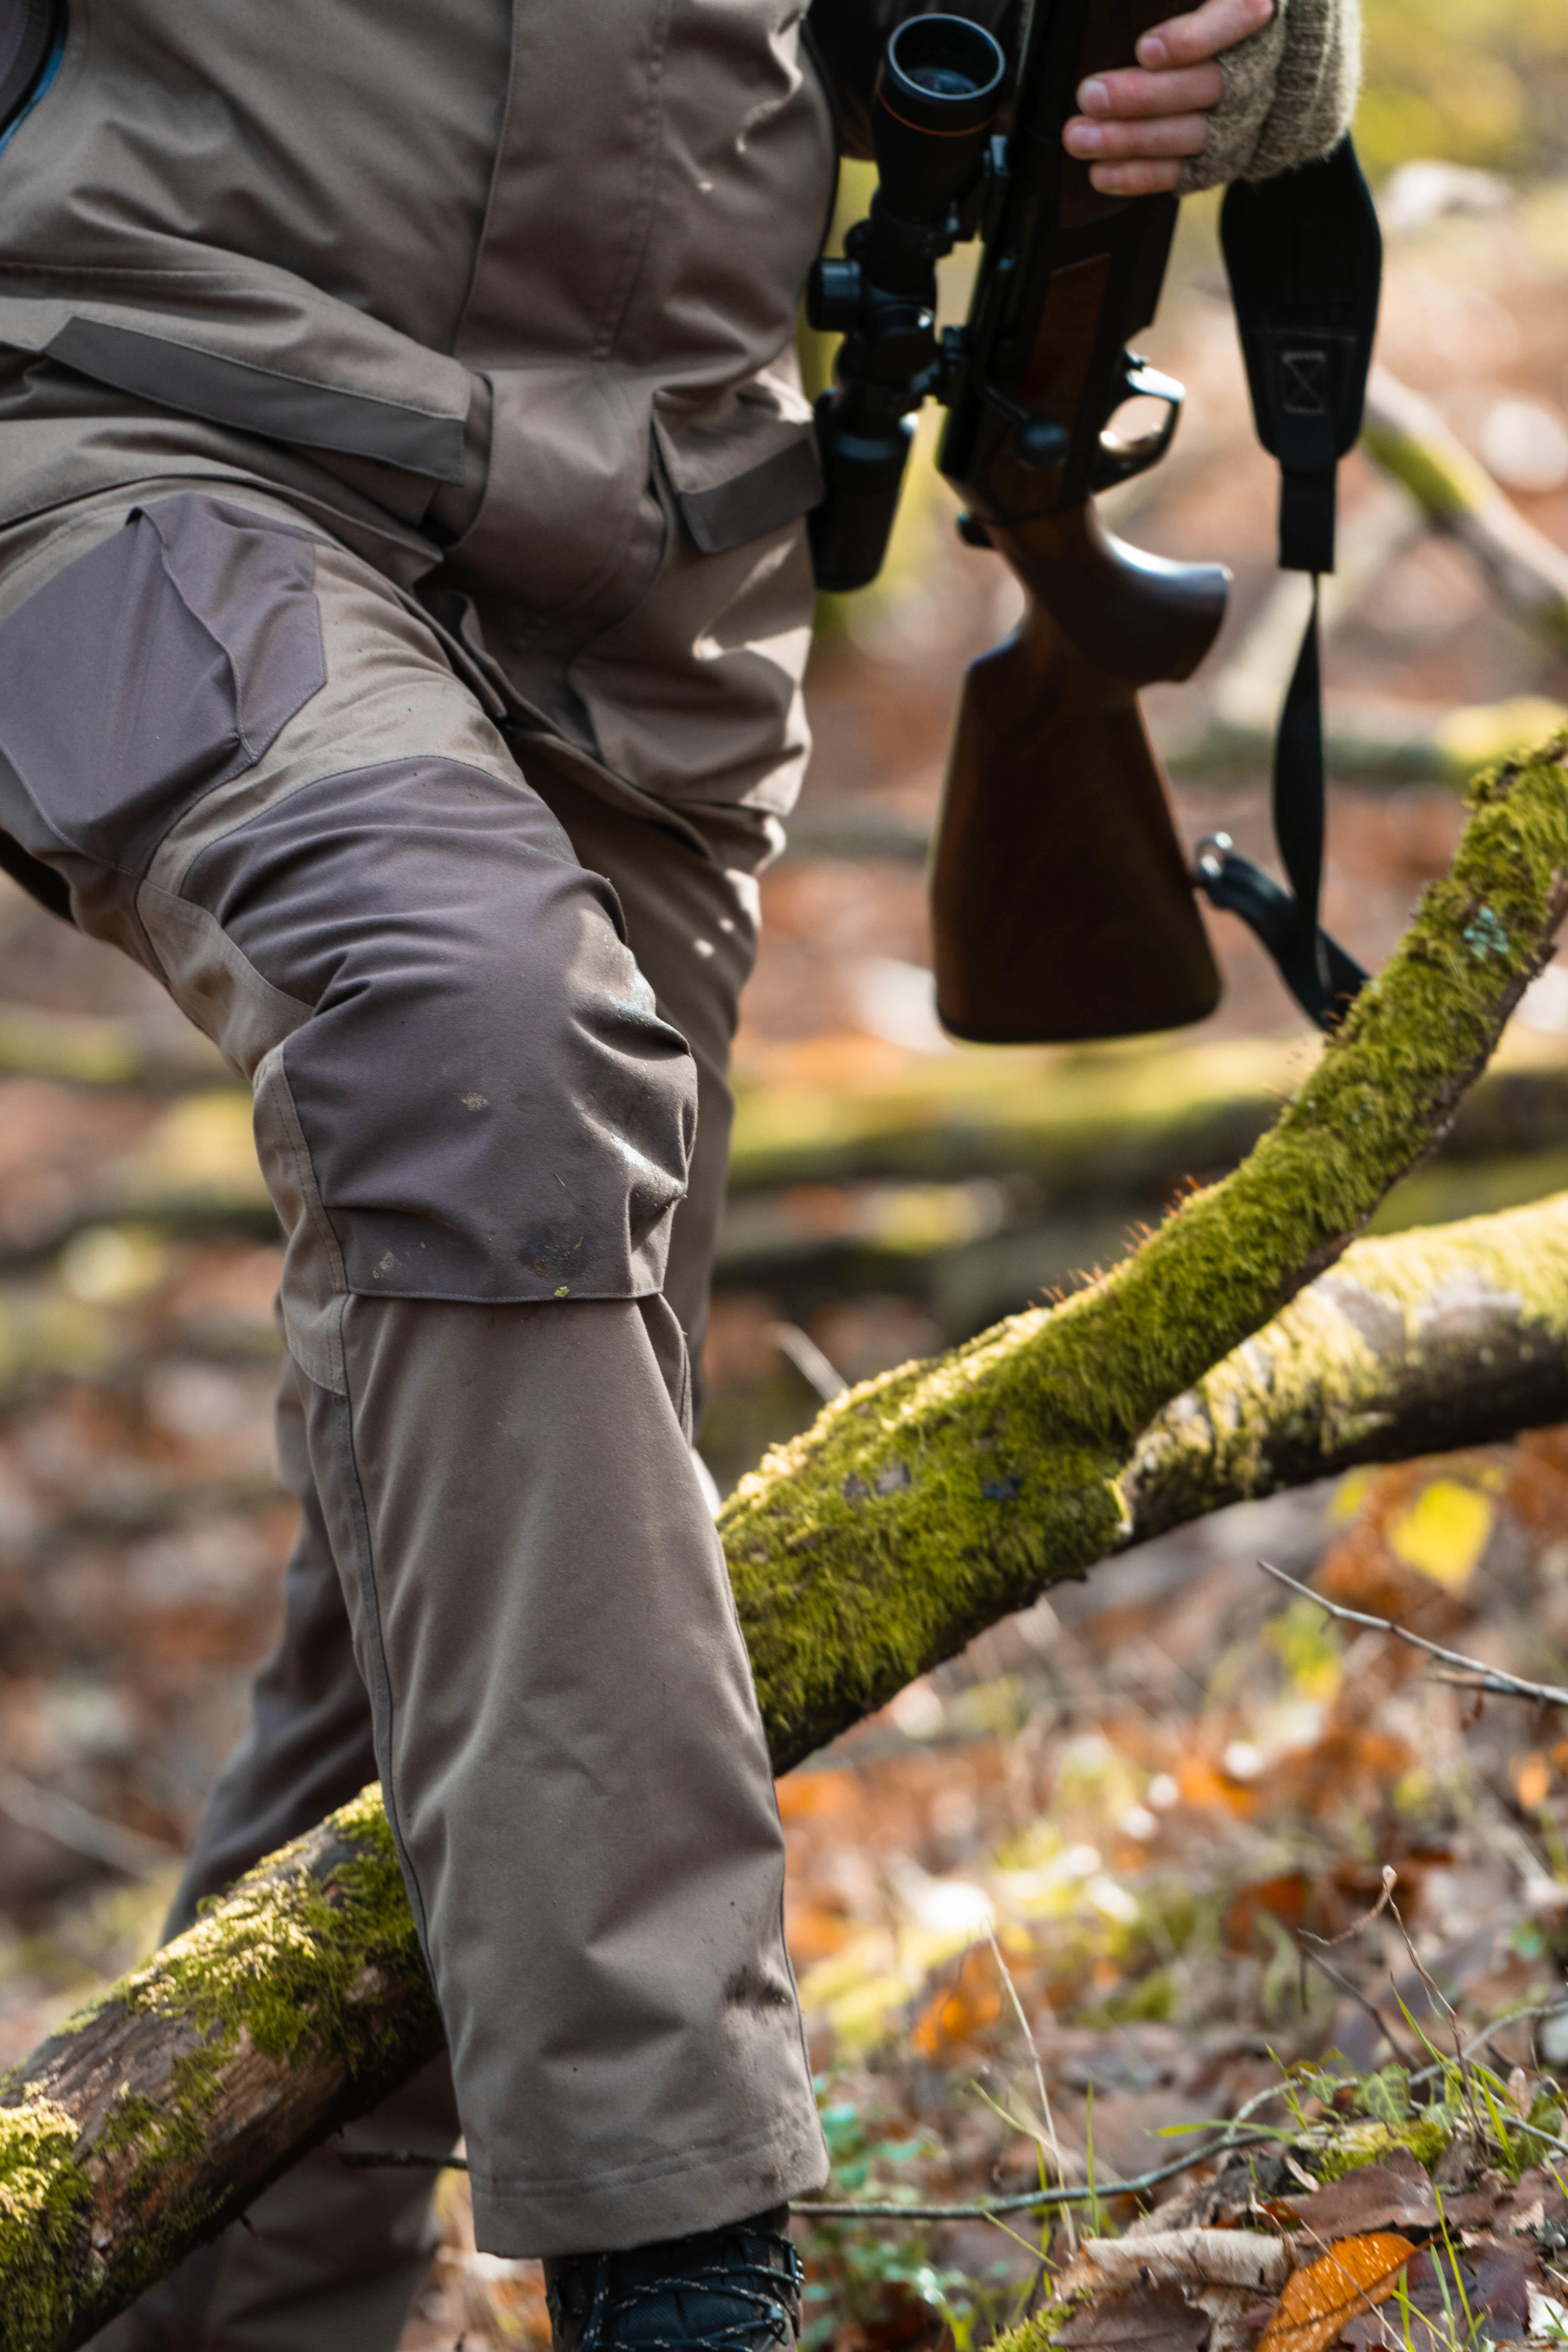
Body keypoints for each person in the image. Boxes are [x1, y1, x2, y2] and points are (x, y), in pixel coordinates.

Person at [0, 0, 1356, 2343]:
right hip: (138, 417)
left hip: (666, 554)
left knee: (488, 1485)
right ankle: (684, 2269)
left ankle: (234, 2316)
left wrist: (1263, 48)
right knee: (474, 1045)